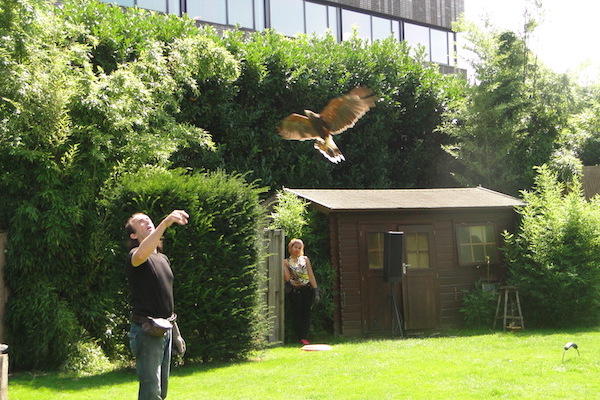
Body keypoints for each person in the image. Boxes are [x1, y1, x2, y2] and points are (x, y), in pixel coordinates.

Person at [125, 210, 188, 400]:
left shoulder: (163, 259)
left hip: (165, 329)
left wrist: (175, 333)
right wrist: (165, 223)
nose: (146, 222)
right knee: (151, 392)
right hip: (146, 330)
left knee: (162, 391)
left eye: (147, 219)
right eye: (140, 222)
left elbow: (165, 300)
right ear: (133, 235)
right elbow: (142, 252)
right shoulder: (135, 255)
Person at [283, 238, 320, 345]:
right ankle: (299, 337)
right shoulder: (285, 262)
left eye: (300, 248)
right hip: (295, 291)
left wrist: (315, 290)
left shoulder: (305, 259)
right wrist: (292, 283)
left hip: (307, 289)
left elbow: (310, 274)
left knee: (307, 313)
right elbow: (287, 279)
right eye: (295, 247)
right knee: (298, 313)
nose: (297, 249)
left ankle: (305, 337)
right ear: (290, 248)